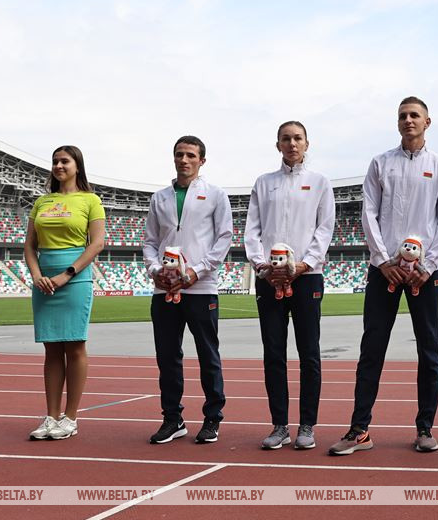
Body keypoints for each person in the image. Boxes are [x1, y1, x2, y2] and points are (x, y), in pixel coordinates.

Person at [329, 96, 438, 455]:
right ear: (397, 122)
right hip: (382, 270)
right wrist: (383, 259)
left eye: (415, 115)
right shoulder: (380, 163)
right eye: (402, 116)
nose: (408, 120)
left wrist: (428, 265)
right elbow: (368, 211)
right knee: (372, 349)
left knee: (429, 351)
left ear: (427, 122)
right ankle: (359, 430)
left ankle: (425, 428)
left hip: (424, 274)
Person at [244, 121, 335, 450]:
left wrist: (304, 264)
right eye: (286, 138)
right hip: (269, 278)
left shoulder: (320, 182)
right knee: (274, 354)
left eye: (297, 138)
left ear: (307, 143)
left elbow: (324, 229)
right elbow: (252, 229)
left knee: (309, 353)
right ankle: (279, 425)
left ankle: (307, 425)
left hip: (307, 276)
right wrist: (261, 266)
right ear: (278, 144)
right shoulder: (264, 183)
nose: (292, 143)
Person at [143, 136, 233, 445]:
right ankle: (173, 418)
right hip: (164, 290)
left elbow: (224, 238)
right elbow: (150, 242)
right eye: (180, 154)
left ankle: (212, 418)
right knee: (167, 357)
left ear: (201, 161)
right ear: (174, 158)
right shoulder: (160, 198)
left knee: (208, 355)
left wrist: (196, 271)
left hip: (201, 288)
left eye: (191, 155)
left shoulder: (216, 195)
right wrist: (156, 272)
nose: (184, 160)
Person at [25, 145, 106, 440]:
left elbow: (96, 243)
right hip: (44, 280)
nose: (59, 166)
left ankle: (70, 418)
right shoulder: (42, 202)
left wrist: (66, 275)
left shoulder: (90, 200)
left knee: (74, 346)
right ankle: (51, 416)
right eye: (55, 161)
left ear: (77, 166)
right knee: (51, 348)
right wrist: (37, 276)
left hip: (74, 278)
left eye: (65, 161)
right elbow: (29, 246)